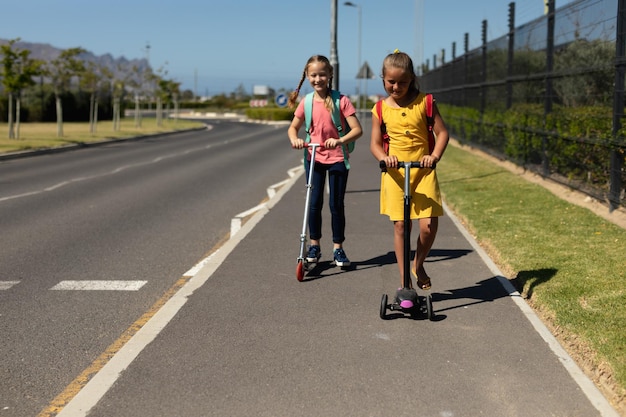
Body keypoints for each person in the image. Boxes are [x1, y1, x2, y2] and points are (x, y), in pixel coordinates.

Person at [370, 49, 449, 290]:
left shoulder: (425, 102)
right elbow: (374, 144)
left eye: (402, 82)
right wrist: (385, 157)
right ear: (383, 78)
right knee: (401, 225)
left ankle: (418, 263)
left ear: (412, 79)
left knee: (427, 226)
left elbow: (442, 133)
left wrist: (433, 156)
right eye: (391, 82)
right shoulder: (380, 109)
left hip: (422, 172)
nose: (396, 87)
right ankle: (405, 283)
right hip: (396, 174)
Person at [287, 55, 363, 268]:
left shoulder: (342, 100)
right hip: (314, 157)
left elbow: (357, 130)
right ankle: (314, 246)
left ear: (330, 75)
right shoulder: (307, 102)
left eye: (322, 74)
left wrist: (339, 140)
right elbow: (293, 128)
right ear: (307, 76)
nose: (318, 79)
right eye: (313, 75)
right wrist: (295, 139)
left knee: (335, 204)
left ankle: (338, 248)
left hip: (337, 157)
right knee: (314, 203)